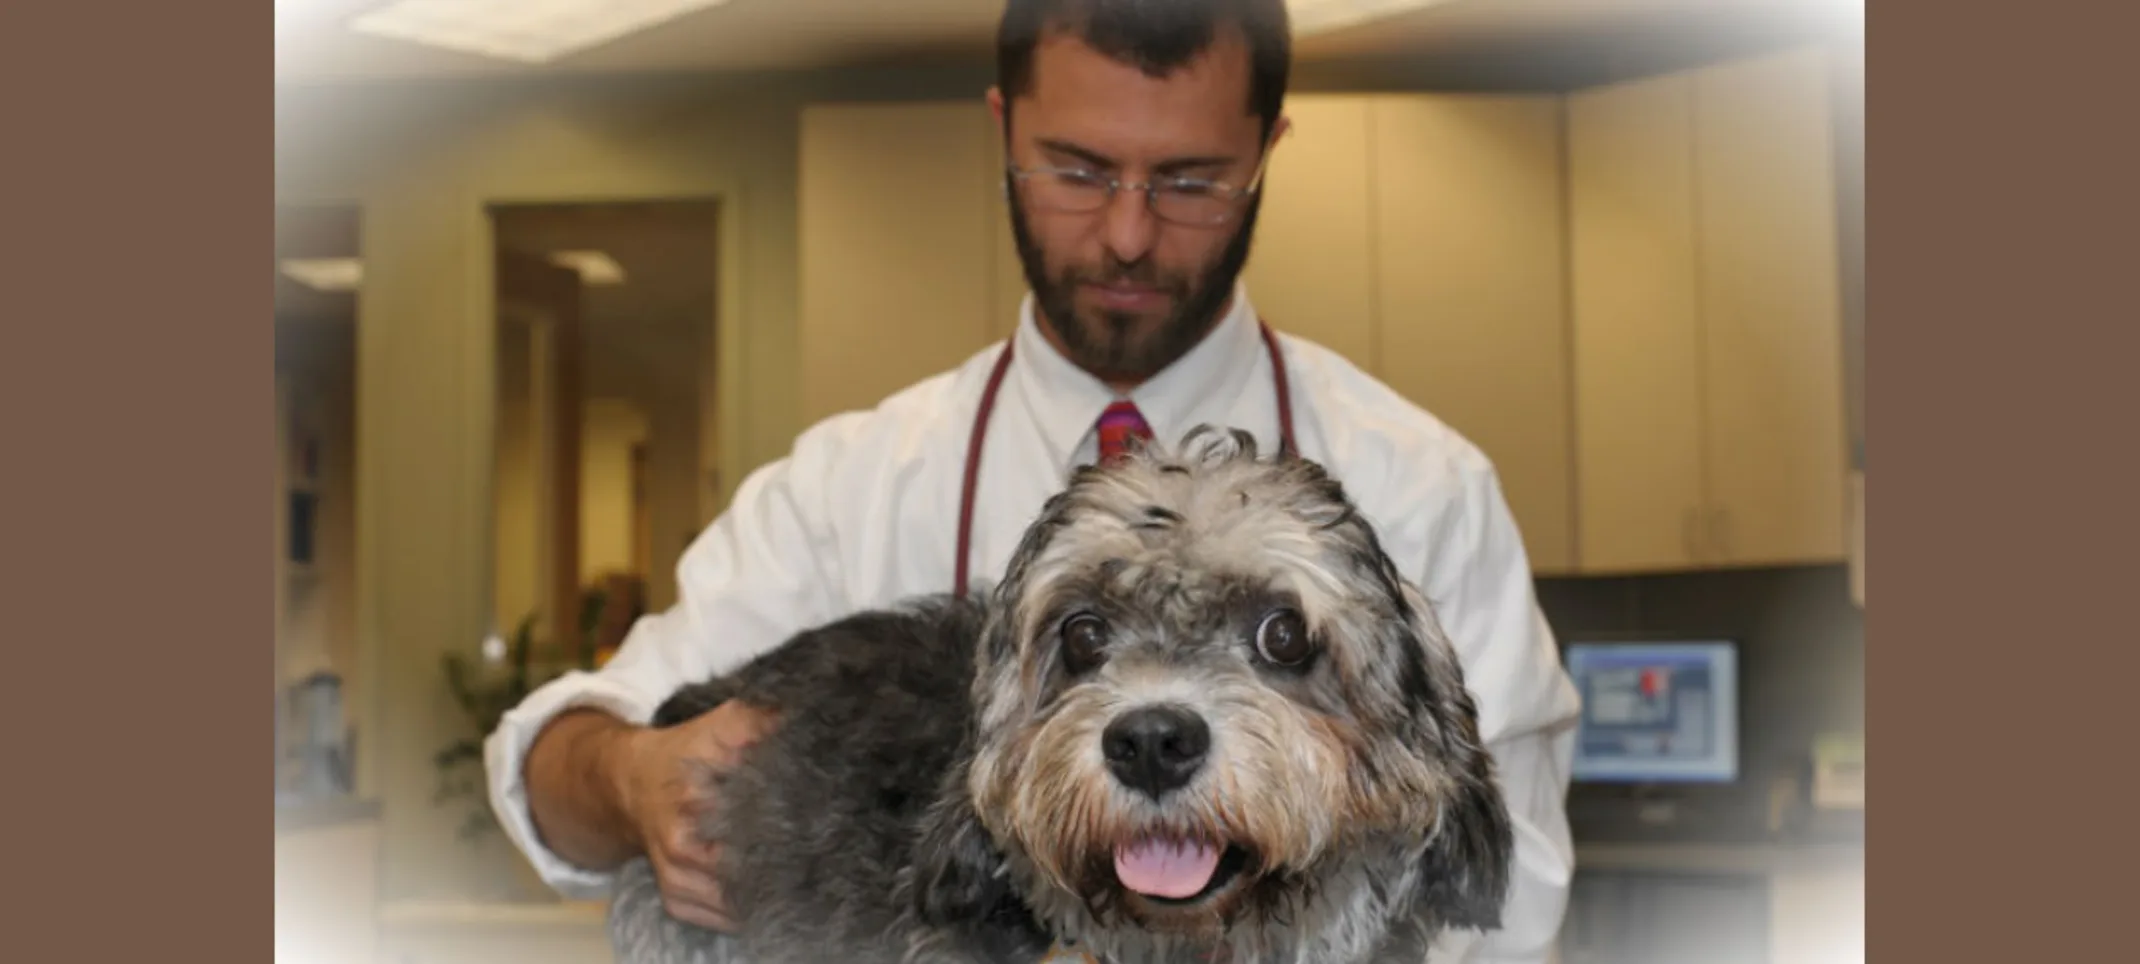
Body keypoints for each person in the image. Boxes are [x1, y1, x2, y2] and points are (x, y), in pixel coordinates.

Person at [484, 1, 1581, 961]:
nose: (1127, 231)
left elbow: (1507, 895)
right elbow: (560, 765)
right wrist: (630, 780)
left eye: (1191, 179)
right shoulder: (850, 480)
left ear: (1266, 151)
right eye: (1078, 168)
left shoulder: (1425, 484)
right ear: (1004, 126)